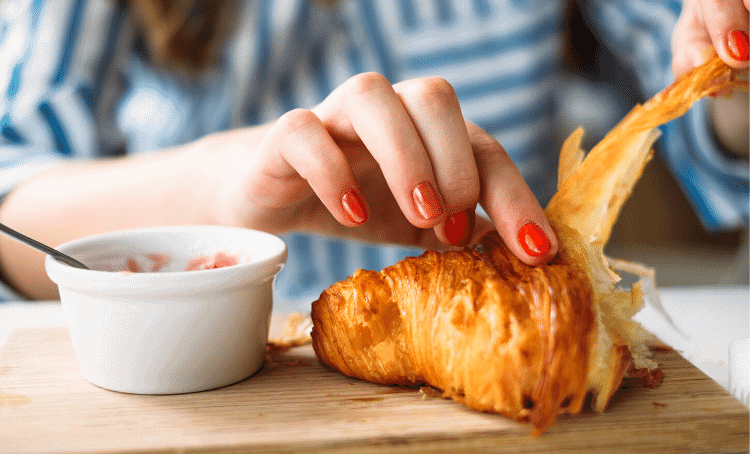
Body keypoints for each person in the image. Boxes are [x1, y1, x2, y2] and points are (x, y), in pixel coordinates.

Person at [0, 0, 747, 307]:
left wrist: (729, 73)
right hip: (201, 396)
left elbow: (698, 117)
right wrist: (223, 190)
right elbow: (12, 197)